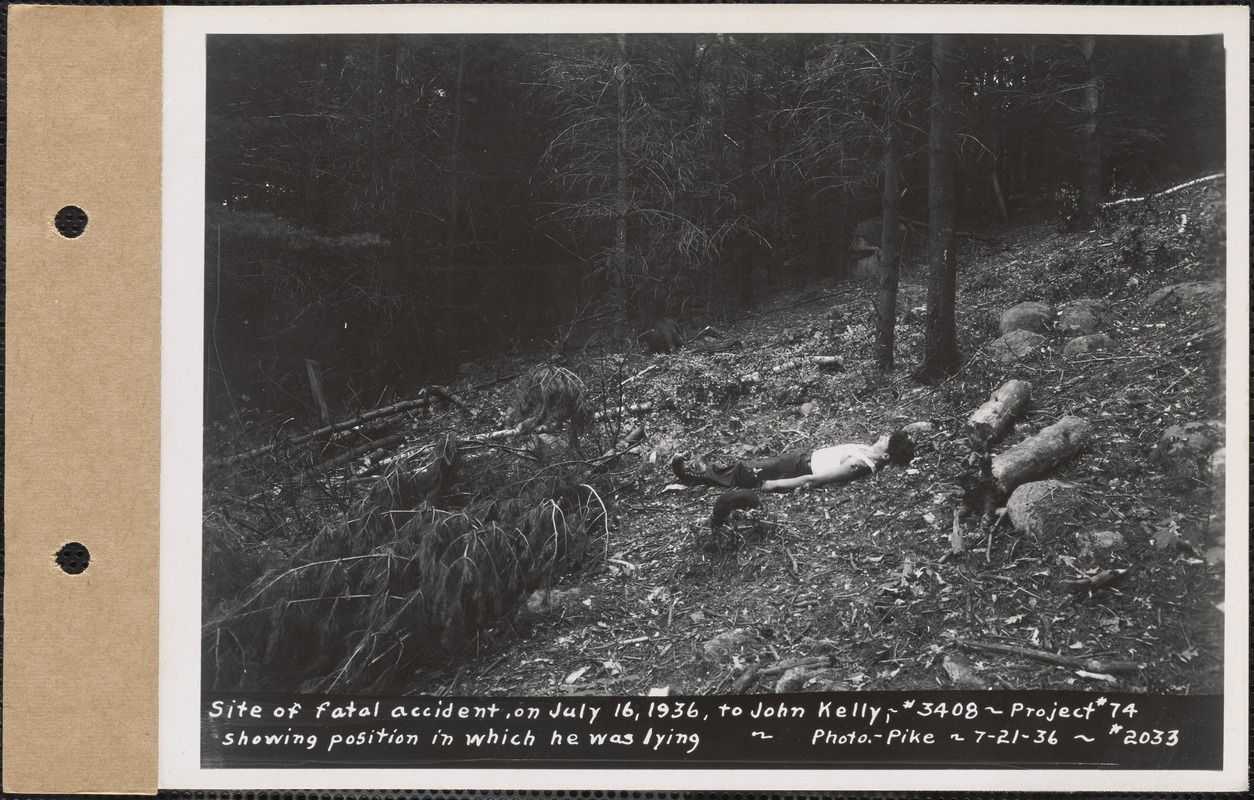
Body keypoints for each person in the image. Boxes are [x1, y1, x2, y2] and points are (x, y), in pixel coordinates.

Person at [671, 430, 915, 491]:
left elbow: (816, 479)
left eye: (886, 439)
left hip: (798, 468)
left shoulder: (857, 465)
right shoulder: (868, 450)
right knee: (749, 466)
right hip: (801, 457)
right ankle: (705, 472)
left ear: (886, 455)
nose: (882, 436)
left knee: (746, 470)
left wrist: (778, 485)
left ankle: (694, 476)